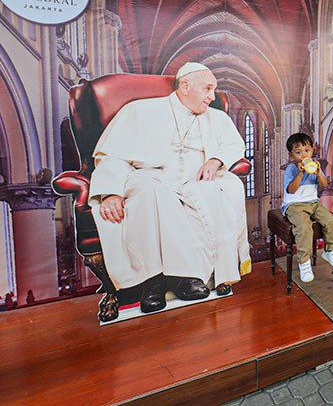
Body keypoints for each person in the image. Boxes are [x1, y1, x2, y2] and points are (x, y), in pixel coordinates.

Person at [89, 62, 251, 314]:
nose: (212, 96)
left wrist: (215, 160)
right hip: (151, 177)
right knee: (148, 192)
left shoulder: (217, 118)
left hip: (194, 181)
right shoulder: (140, 111)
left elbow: (233, 145)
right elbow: (112, 155)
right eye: (207, 88)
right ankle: (153, 283)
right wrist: (111, 192)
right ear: (185, 86)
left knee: (221, 190)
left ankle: (187, 277)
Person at [281, 132, 333, 282]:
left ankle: (330, 250)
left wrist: (318, 174)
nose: (304, 155)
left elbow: (325, 185)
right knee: (304, 228)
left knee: (330, 221)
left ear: (312, 151)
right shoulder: (291, 169)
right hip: (294, 205)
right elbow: (291, 190)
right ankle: (304, 261)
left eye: (307, 150)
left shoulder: (315, 166)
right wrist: (300, 174)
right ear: (291, 155)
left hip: (313, 203)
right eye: (298, 152)